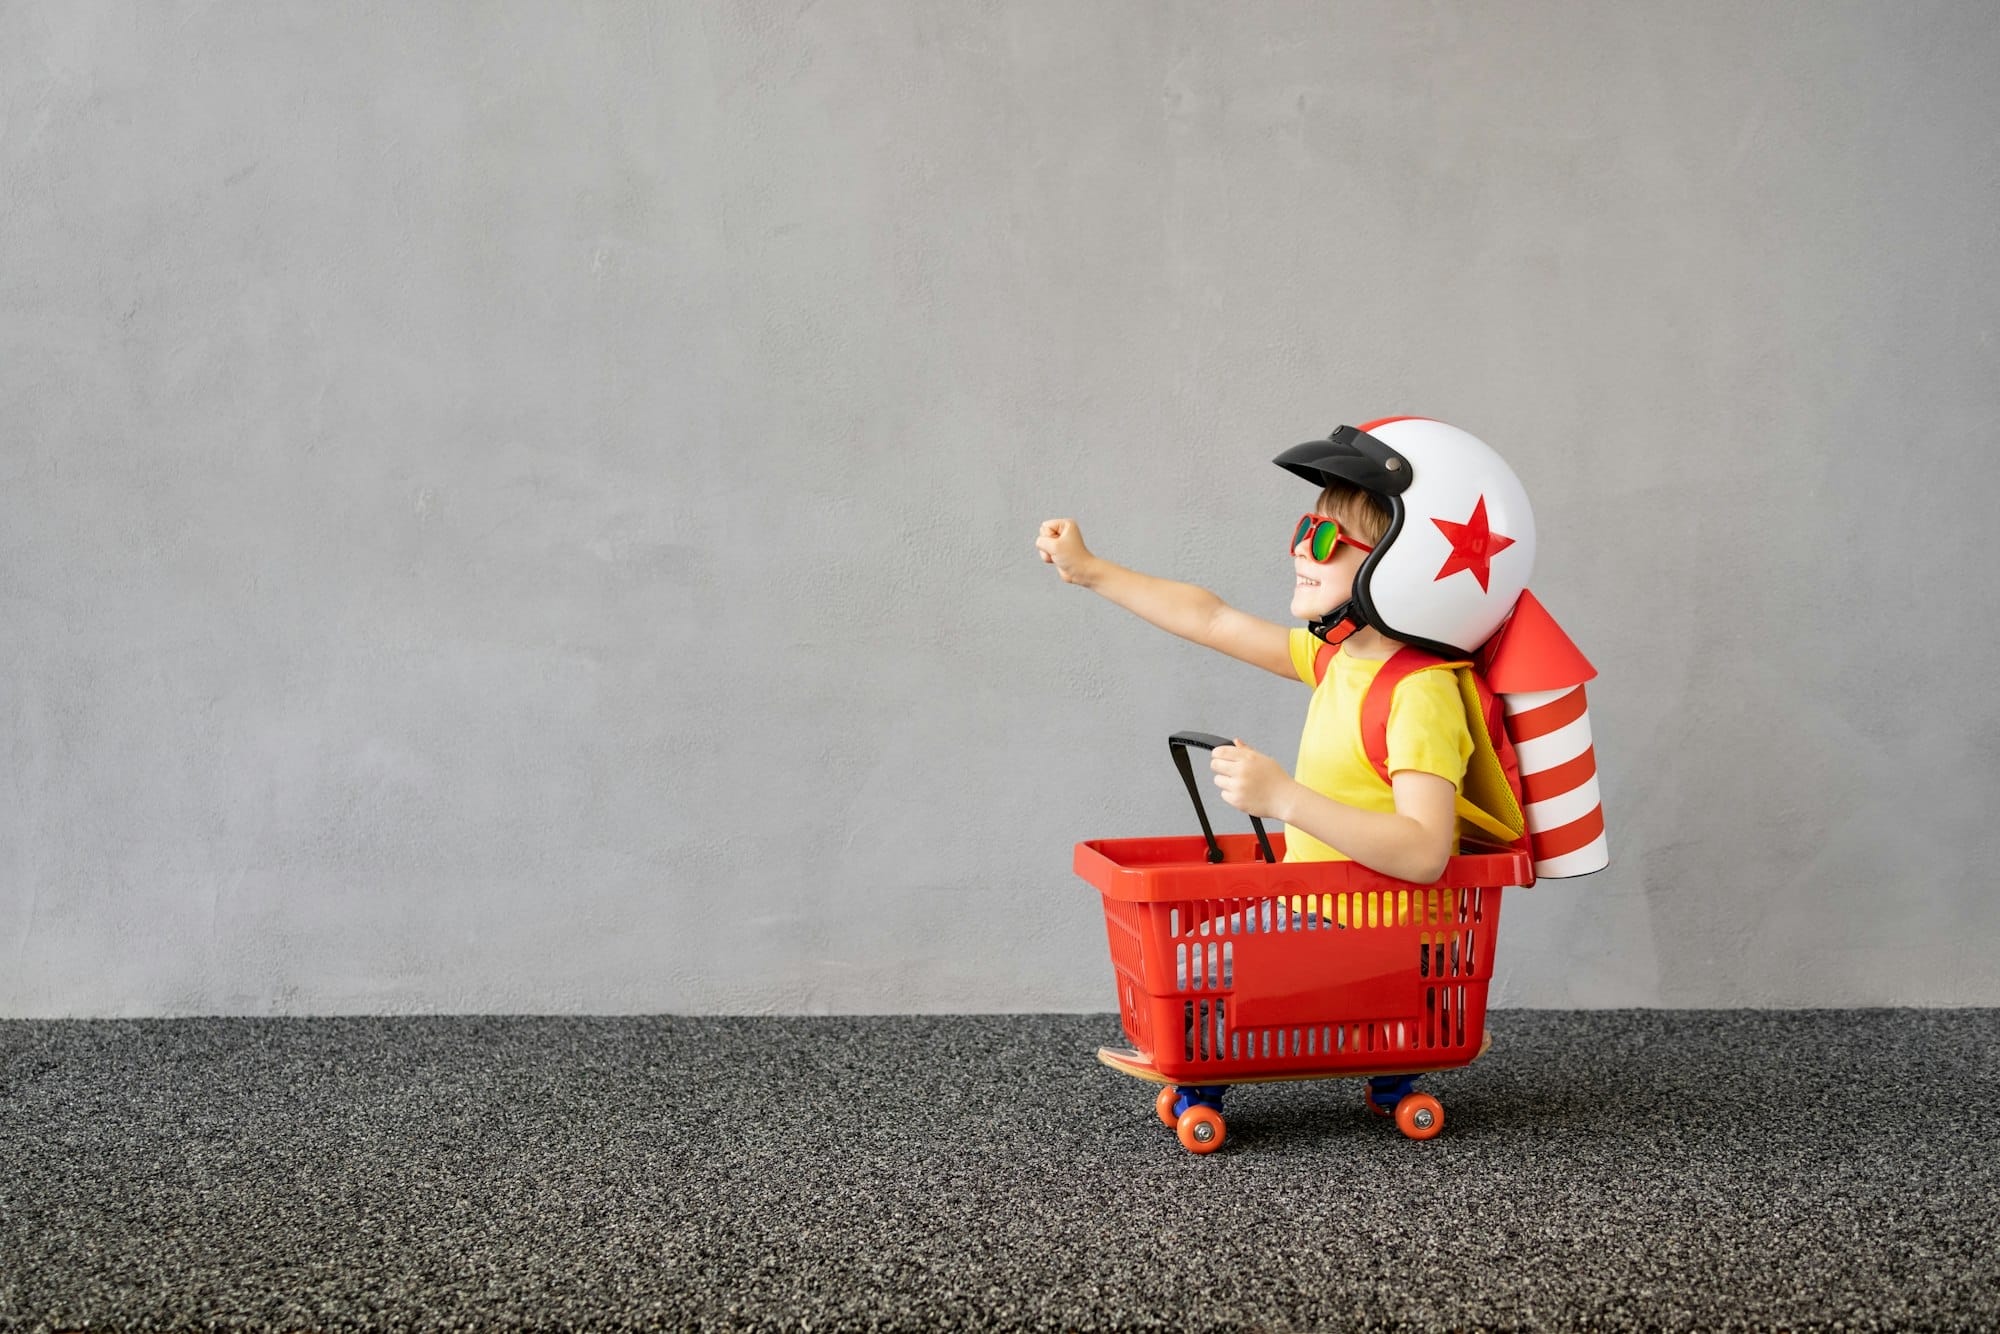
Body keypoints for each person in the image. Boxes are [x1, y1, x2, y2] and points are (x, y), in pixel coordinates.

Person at [1035, 449, 1481, 885]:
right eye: (1305, 528)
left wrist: (1284, 798)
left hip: (1376, 934)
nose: (1303, 548)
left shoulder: (1419, 692)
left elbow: (1425, 854)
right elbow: (1211, 619)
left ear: (1396, 568)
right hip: (1311, 911)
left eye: (1327, 537)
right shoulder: (1336, 659)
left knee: (1199, 962)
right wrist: (1089, 570)